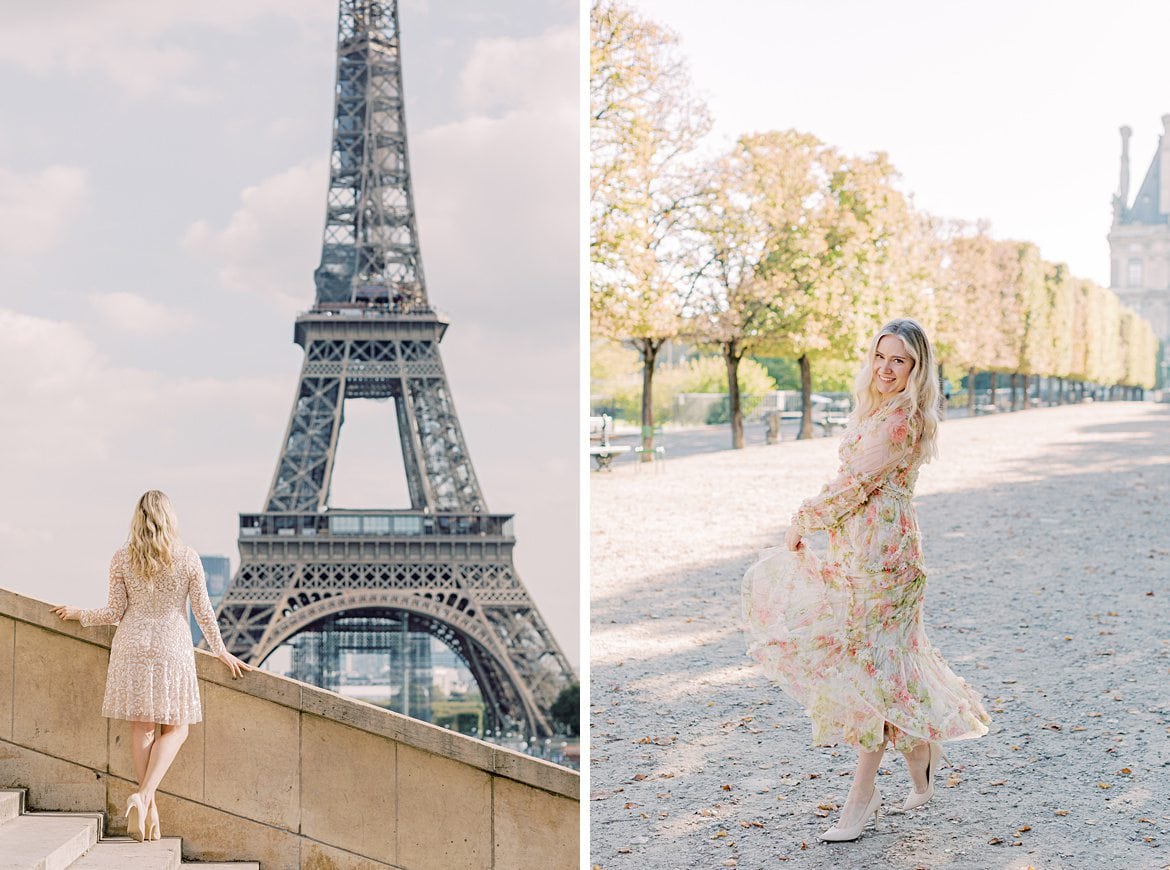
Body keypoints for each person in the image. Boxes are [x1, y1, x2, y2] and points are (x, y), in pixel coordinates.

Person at [740, 318, 990, 843]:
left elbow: (854, 484)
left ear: (917, 368)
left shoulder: (902, 420)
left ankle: (862, 795)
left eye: (899, 360)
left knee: (874, 672)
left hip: (888, 561)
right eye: (880, 356)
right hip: (861, 551)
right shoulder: (879, 409)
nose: (886, 367)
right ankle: (921, 755)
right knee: (892, 667)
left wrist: (803, 519)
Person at [52, 490, 252, 842]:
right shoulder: (188, 558)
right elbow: (204, 612)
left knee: (142, 728)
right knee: (178, 728)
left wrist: (80, 613)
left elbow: (114, 612)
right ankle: (144, 797)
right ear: (170, 518)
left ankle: (147, 806)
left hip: (131, 647)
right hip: (171, 647)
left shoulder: (122, 558)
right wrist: (220, 651)